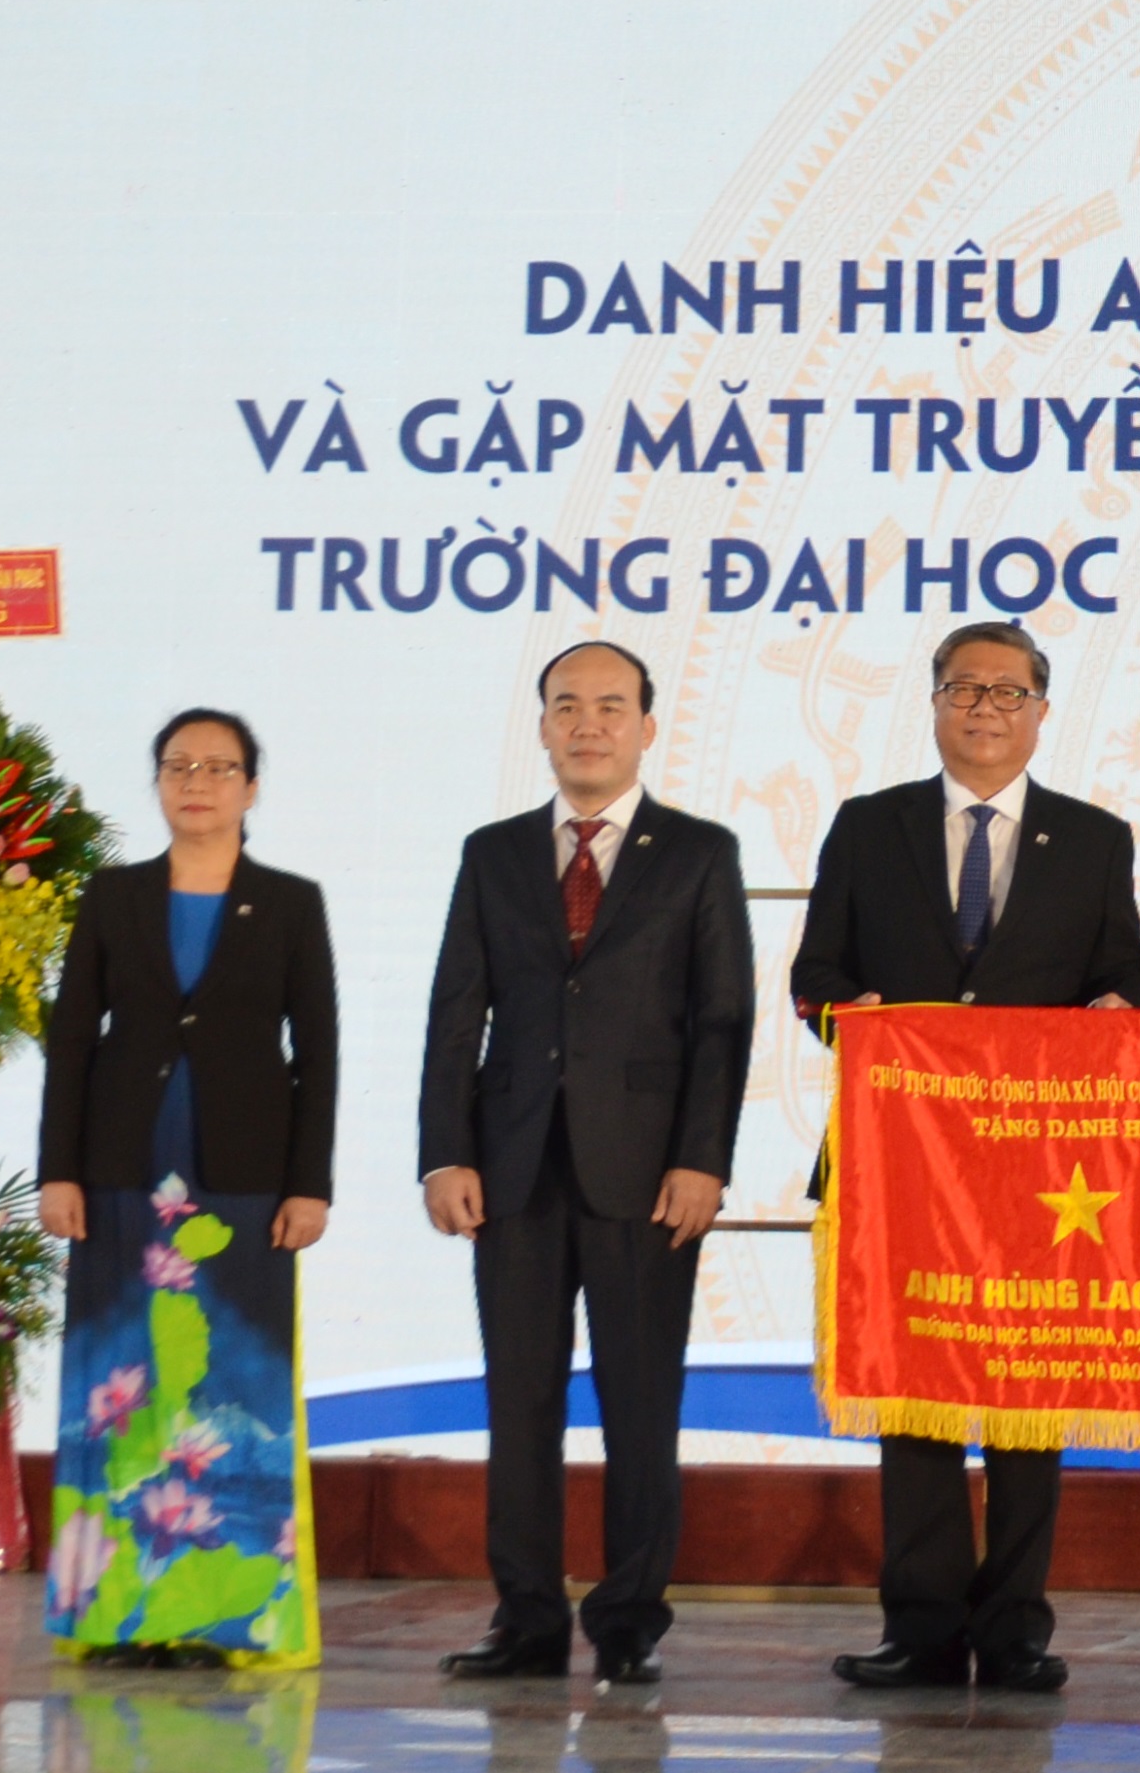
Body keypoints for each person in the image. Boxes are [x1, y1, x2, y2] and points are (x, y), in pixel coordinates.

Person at [792, 620, 1140, 1694]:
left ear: (1043, 712)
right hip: (898, 1156)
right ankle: (921, 1627)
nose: (985, 708)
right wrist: (847, 1017)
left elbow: (1128, 978)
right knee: (915, 1400)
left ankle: (1014, 1629)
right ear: (936, 704)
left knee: (1028, 1400)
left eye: (1008, 691)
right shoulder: (869, 827)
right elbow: (816, 973)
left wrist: (1118, 1008)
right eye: (965, 689)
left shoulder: (1094, 840)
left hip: (1040, 1172)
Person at [422, 641, 755, 1686]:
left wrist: (703, 1161)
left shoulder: (700, 852)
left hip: (646, 1177)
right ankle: (524, 1617)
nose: (589, 724)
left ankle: (625, 1622)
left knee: (641, 1401)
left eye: (611, 706)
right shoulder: (492, 853)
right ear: (542, 727)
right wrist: (444, 1154)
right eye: (567, 705)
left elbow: (723, 1022)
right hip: (512, 1172)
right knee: (518, 1402)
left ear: (647, 727)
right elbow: (453, 1016)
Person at [37, 709, 337, 1669]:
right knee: (121, 1381)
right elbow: (74, 1040)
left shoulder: (290, 902)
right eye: (178, 765)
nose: (197, 781)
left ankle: (224, 1611)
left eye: (219, 767)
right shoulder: (112, 896)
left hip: (243, 1180)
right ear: (158, 782)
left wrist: (309, 1183)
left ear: (252, 788)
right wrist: (59, 1169)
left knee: (225, 1386)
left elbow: (317, 1052)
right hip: (122, 1168)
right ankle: (119, 1610)